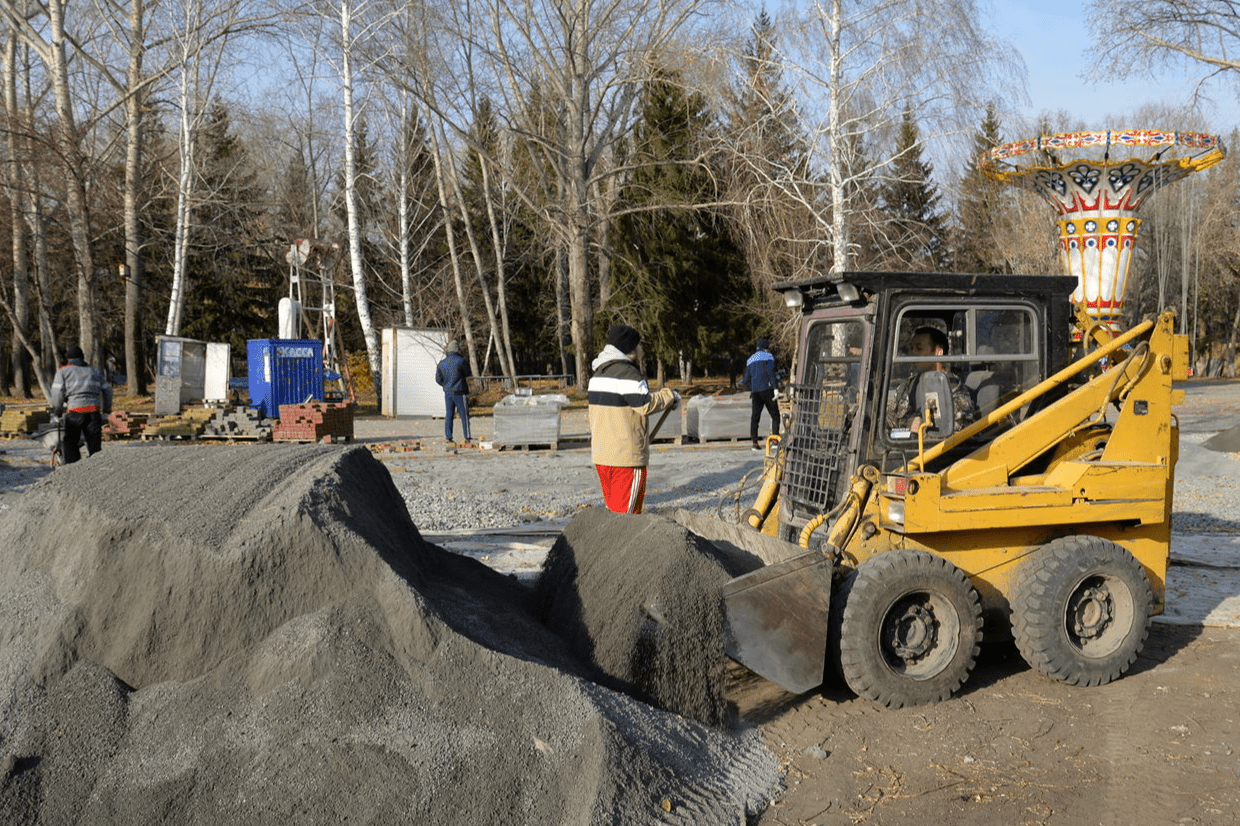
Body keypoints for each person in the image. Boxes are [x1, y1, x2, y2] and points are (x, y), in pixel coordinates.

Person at [587, 323, 679, 514]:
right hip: (626, 460)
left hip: (603, 456)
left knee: (613, 512)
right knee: (627, 521)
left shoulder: (598, 374)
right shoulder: (628, 374)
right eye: (637, 345)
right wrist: (669, 396)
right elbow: (644, 404)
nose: (639, 349)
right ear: (629, 348)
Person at [886, 326, 975, 434]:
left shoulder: (953, 390)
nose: (912, 353)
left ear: (938, 352)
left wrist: (922, 429)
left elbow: (959, 435)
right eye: (911, 348)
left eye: (919, 349)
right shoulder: (907, 386)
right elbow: (889, 422)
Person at [49, 344, 112, 464]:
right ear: (82, 357)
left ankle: (74, 470)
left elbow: (57, 393)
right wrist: (107, 408)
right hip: (94, 411)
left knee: (70, 442)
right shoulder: (94, 371)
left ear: (69, 359)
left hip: (75, 412)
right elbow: (107, 389)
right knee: (94, 445)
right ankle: (98, 470)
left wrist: (57, 410)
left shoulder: (63, 372)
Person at [742, 337, 780, 451]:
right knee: (775, 415)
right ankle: (774, 442)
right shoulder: (768, 357)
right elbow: (771, 373)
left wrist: (751, 388)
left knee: (755, 417)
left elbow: (746, 378)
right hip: (767, 390)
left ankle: (754, 443)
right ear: (766, 347)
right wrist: (775, 388)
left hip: (755, 392)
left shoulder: (750, 359)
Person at [435, 339, 472, 444]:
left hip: (448, 392)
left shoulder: (442, 363)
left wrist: (445, 385)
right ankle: (467, 436)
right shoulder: (461, 360)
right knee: (464, 415)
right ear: (457, 349)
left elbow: (438, 379)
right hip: (460, 391)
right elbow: (468, 373)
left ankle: (449, 436)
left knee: (449, 414)